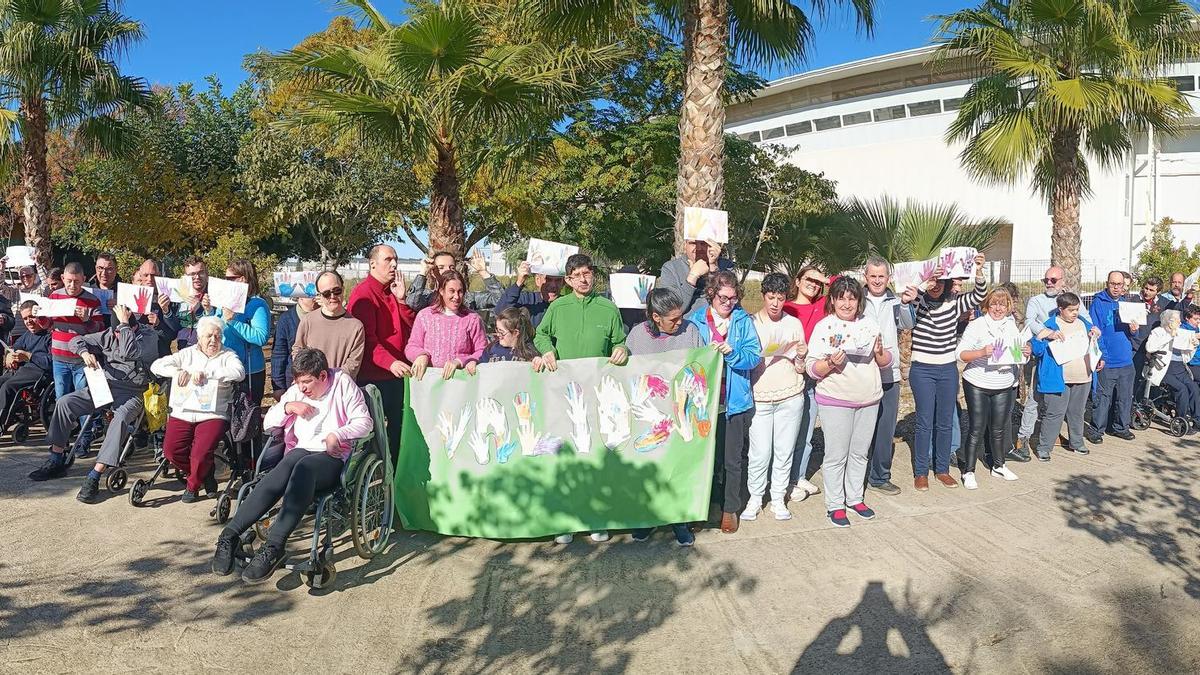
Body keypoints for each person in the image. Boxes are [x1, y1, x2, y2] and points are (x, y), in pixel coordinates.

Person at [211, 348, 372, 584]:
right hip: (299, 450)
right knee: (283, 470)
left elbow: (364, 422)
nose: (303, 388)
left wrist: (337, 434)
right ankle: (229, 536)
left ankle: (274, 546)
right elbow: (268, 424)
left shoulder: (342, 384)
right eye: (299, 382)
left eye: (308, 382)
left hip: (331, 456)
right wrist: (287, 407)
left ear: (323, 376)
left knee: (303, 469)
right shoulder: (297, 391)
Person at [533, 253, 629, 544]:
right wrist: (547, 350)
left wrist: (623, 350)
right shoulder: (558, 308)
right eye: (577, 275)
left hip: (598, 396)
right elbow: (540, 336)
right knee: (566, 456)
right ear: (568, 280)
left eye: (588, 274)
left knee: (595, 455)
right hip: (564, 395)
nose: (584, 279)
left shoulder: (608, 308)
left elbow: (619, 341)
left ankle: (595, 517)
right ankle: (565, 520)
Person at [27, 305, 158, 493]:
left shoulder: (148, 336)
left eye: (121, 332)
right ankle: (56, 458)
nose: (117, 337)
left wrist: (123, 325)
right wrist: (84, 352)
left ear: (133, 327)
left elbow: (129, 352)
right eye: (116, 333)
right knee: (65, 403)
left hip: (133, 390)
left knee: (119, 420)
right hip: (106, 387)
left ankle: (95, 474)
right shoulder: (109, 334)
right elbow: (75, 340)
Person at [805, 277, 891, 528]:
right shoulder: (825, 327)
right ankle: (835, 504)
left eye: (852, 298)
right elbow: (812, 368)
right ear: (832, 300)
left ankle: (855, 498)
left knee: (859, 453)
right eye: (841, 298)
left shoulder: (870, 324)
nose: (846, 303)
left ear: (859, 301)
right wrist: (831, 363)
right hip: (836, 399)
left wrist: (880, 353)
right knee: (836, 454)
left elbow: (885, 361)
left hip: (869, 398)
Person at [625, 288, 703, 546]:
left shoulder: (690, 330)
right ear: (656, 317)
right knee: (648, 470)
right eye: (673, 319)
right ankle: (646, 518)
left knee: (677, 470)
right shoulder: (636, 336)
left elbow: (702, 364)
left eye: (680, 316)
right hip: (649, 416)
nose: (680, 322)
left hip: (681, 412)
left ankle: (678, 520)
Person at [687, 270, 761, 534]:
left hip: (735, 402)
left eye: (732, 298)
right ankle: (704, 507)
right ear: (711, 294)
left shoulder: (743, 321)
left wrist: (733, 353)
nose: (728, 303)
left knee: (732, 460)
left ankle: (730, 509)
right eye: (722, 297)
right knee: (706, 459)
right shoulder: (695, 321)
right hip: (703, 403)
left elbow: (754, 356)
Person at [146, 315, 246, 501]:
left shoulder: (228, 355)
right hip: (183, 411)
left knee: (200, 452)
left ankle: (192, 486)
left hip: (213, 413)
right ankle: (205, 474)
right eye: (209, 336)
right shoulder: (187, 353)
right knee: (171, 451)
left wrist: (208, 373)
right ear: (199, 337)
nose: (213, 340)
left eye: (217, 336)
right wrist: (178, 372)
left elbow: (239, 373)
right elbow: (156, 366)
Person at [910, 254, 986, 491]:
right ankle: (921, 472)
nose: (936, 286)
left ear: (948, 283)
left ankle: (941, 469)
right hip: (921, 369)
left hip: (946, 369)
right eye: (934, 281)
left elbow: (979, 295)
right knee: (924, 421)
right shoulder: (919, 301)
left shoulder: (954, 302)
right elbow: (908, 299)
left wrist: (979, 270)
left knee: (945, 421)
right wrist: (926, 281)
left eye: (941, 281)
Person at [743, 273, 807, 523]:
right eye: (771, 298)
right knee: (759, 453)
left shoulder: (793, 324)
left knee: (784, 451)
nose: (775, 304)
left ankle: (778, 497)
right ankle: (755, 497)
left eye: (780, 299)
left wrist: (800, 355)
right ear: (763, 296)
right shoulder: (750, 323)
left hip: (790, 394)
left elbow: (801, 367)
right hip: (760, 395)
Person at [954, 288, 1030, 489]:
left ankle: (999, 464)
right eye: (994, 304)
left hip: (1003, 383)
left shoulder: (1012, 325)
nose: (998, 308)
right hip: (978, 382)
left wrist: (1026, 352)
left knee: (998, 428)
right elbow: (960, 354)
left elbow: (1017, 354)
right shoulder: (977, 325)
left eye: (1002, 304)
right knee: (976, 428)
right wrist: (981, 352)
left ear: (1008, 307)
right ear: (987, 305)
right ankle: (968, 471)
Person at [347, 244, 415, 456]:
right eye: (388, 259)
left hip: (397, 375)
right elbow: (366, 340)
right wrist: (390, 362)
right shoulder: (364, 295)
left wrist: (402, 301)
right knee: (372, 435)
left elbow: (411, 329)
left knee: (398, 431)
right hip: (374, 377)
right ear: (372, 264)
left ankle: (394, 476)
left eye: (396, 259)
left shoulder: (393, 291)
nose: (394, 264)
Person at [862, 257, 917, 496]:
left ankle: (880, 476)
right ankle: (855, 475)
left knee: (885, 429)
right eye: (872, 276)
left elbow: (908, 323)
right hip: (861, 373)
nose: (876, 280)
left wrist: (906, 304)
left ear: (888, 278)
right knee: (861, 429)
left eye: (881, 276)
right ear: (865, 277)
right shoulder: (855, 299)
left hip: (888, 373)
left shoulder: (895, 300)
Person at [1032, 292, 1102, 460]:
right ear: (1060, 309)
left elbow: (1095, 345)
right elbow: (1036, 349)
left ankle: (1076, 443)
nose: (1075, 313)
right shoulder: (1050, 325)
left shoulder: (1084, 324)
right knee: (1054, 413)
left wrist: (1097, 342)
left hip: (1083, 377)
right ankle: (1044, 447)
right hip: (1059, 380)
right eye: (1071, 310)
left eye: (1076, 309)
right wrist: (1046, 336)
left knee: (1077, 412)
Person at [783, 265, 829, 500]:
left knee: (807, 430)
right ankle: (785, 481)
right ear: (798, 281)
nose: (813, 284)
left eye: (817, 281)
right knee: (788, 431)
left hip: (812, 375)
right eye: (808, 279)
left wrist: (822, 278)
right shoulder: (787, 307)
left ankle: (798, 476)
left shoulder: (821, 305)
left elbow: (843, 284)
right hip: (789, 374)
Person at [1015, 266, 1067, 460]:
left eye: (1053, 280)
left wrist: (1092, 328)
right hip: (1042, 355)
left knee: (1060, 399)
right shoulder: (1036, 301)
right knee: (1034, 399)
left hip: (1065, 356)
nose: (1049, 283)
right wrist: (1049, 332)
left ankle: (1051, 433)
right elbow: (1030, 322)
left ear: (1062, 280)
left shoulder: (1072, 299)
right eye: (1046, 279)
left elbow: (1083, 318)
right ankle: (1023, 437)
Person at [405, 269, 487, 380]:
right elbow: (411, 346)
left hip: (461, 382)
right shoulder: (425, 316)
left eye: (460, 291)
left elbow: (482, 350)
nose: (457, 296)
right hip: (429, 382)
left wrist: (461, 361)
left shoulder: (472, 319)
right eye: (451, 291)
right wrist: (420, 355)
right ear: (441, 291)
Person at [1088, 270, 1139, 443]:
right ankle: (1096, 430)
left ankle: (1121, 427)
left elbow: (1134, 333)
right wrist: (1102, 355)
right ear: (1107, 283)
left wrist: (1134, 329)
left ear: (1124, 285)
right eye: (1113, 284)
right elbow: (1095, 331)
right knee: (1103, 398)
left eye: (1119, 284)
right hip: (1108, 360)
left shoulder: (1127, 304)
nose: (1116, 287)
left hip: (1126, 360)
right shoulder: (1098, 303)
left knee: (1125, 398)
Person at [293, 271, 365, 380]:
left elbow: (353, 364)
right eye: (326, 293)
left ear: (343, 289)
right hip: (312, 386)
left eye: (337, 291)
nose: (332, 296)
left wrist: (330, 380)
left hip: (341, 389)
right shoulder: (308, 321)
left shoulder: (356, 326)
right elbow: (298, 351)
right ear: (319, 295)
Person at [1145, 309, 1200, 431]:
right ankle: (1181, 421)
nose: (1180, 323)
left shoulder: (1179, 332)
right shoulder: (1158, 332)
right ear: (1169, 322)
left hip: (1179, 367)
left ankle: (1197, 419)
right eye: (1177, 321)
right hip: (1164, 368)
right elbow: (1150, 347)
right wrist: (1170, 335)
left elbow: (1190, 339)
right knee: (1182, 389)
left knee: (1194, 388)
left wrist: (1194, 344)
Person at [0, 301, 51, 429]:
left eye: (31, 317)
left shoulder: (50, 336)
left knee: (8, 387)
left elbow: (52, 362)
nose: (29, 321)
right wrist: (10, 357)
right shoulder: (27, 335)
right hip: (23, 370)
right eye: (25, 319)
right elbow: (15, 349)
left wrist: (29, 356)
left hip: (39, 373)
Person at [406, 250, 503, 312]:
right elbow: (412, 303)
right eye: (441, 267)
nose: (448, 270)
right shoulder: (427, 297)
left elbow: (501, 300)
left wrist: (483, 272)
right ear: (432, 272)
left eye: (451, 267)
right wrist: (423, 273)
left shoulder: (467, 298)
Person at [658, 239, 735, 316]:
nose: (698, 248)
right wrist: (692, 277)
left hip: (720, 323)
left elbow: (731, 303)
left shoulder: (726, 266)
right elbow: (669, 311)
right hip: (687, 325)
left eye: (703, 243)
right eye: (693, 243)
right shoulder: (671, 268)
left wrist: (713, 268)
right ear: (685, 245)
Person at [130, 259, 180, 358]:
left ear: (159, 275)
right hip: (136, 358)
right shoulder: (129, 298)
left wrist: (158, 323)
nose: (150, 279)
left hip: (160, 356)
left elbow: (173, 334)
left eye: (153, 275)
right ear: (140, 276)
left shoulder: (168, 298)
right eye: (146, 275)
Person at [494, 261, 563, 327]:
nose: (553, 285)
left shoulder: (566, 304)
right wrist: (520, 282)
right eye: (548, 279)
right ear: (538, 280)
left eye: (558, 280)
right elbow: (501, 312)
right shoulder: (526, 300)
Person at [271, 296, 316, 393]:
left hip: (320, 383)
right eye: (311, 293)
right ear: (300, 296)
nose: (316, 297)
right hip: (293, 384)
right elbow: (279, 354)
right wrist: (278, 387)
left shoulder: (326, 317)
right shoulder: (286, 319)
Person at [176, 256, 217, 350]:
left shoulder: (215, 296)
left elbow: (216, 328)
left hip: (208, 352)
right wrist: (166, 311)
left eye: (200, 272)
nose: (197, 277)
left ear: (206, 274)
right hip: (183, 351)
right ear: (185, 277)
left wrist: (199, 310)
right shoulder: (178, 296)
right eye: (192, 274)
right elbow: (173, 328)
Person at [91, 252, 119, 318]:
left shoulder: (124, 293)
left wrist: (120, 307)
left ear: (116, 270)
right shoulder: (88, 291)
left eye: (109, 269)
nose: (104, 273)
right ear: (95, 269)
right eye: (100, 268)